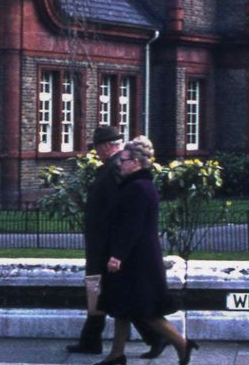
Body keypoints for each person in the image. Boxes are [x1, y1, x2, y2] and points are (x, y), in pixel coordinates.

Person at [66, 126, 167, 359]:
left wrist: (115, 249)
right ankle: (91, 339)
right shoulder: (113, 166)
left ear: (105, 146)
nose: (97, 152)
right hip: (102, 242)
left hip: (105, 243)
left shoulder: (115, 168)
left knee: (110, 292)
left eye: (98, 148)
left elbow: (118, 208)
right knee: (102, 291)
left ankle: (157, 337)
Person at [96, 136, 198, 365]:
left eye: (124, 160)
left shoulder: (138, 188)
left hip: (136, 260)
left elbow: (132, 226)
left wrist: (117, 255)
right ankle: (116, 354)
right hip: (134, 257)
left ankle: (182, 343)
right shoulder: (137, 185)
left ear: (137, 162)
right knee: (121, 307)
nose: (120, 164)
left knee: (145, 311)